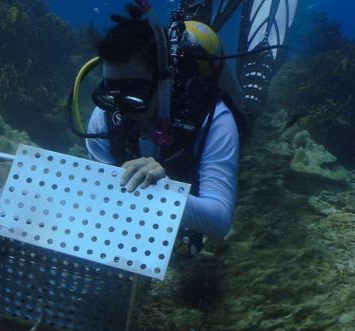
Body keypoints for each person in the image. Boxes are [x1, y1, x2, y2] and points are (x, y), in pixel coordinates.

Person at [83, 3, 242, 254]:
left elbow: (220, 220)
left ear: (165, 81)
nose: (121, 107)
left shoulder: (215, 119)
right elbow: (104, 197)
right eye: (111, 89)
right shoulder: (104, 117)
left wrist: (163, 191)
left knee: (250, 113)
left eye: (134, 92)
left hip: (196, 155)